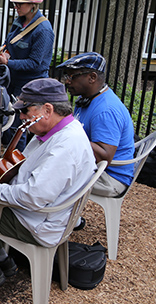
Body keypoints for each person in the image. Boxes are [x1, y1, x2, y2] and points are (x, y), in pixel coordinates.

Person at [0, 78, 96, 277]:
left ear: (48, 110)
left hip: (35, 221)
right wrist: (2, 163)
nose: (21, 116)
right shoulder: (60, 130)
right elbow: (33, 166)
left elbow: (33, 197)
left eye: (25, 111)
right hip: (35, 212)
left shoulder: (65, 147)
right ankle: (0, 258)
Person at [58, 52, 135, 197]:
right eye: (66, 76)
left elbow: (104, 156)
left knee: (51, 177)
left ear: (92, 77)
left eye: (72, 76)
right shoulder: (87, 99)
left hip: (109, 178)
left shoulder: (105, 110)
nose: (67, 81)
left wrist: (65, 133)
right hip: (93, 167)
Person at [0, 0, 55, 97]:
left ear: (33, 4)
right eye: (15, 4)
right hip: (13, 80)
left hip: (31, 85)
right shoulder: (19, 21)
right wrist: (1, 52)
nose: (16, 7)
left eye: (20, 4)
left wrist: (8, 62)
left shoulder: (43, 30)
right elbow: (8, 43)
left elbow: (34, 63)